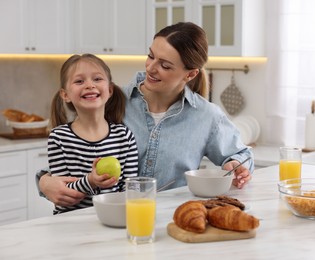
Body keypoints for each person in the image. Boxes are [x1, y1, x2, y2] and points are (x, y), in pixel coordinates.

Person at [37, 22, 253, 207]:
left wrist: (236, 166)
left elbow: (241, 156)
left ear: (190, 74)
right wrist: (44, 181)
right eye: (151, 56)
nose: (151, 68)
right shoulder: (111, 100)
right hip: (110, 219)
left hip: (171, 222)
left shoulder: (206, 116)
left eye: (165, 65)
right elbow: (73, 152)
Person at [47, 54, 138, 214]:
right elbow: (63, 194)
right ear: (65, 95)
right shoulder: (59, 138)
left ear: (110, 90)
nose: (90, 85)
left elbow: (130, 188)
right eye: (79, 81)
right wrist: (91, 181)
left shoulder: (124, 136)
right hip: (70, 223)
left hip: (112, 218)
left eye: (97, 79)